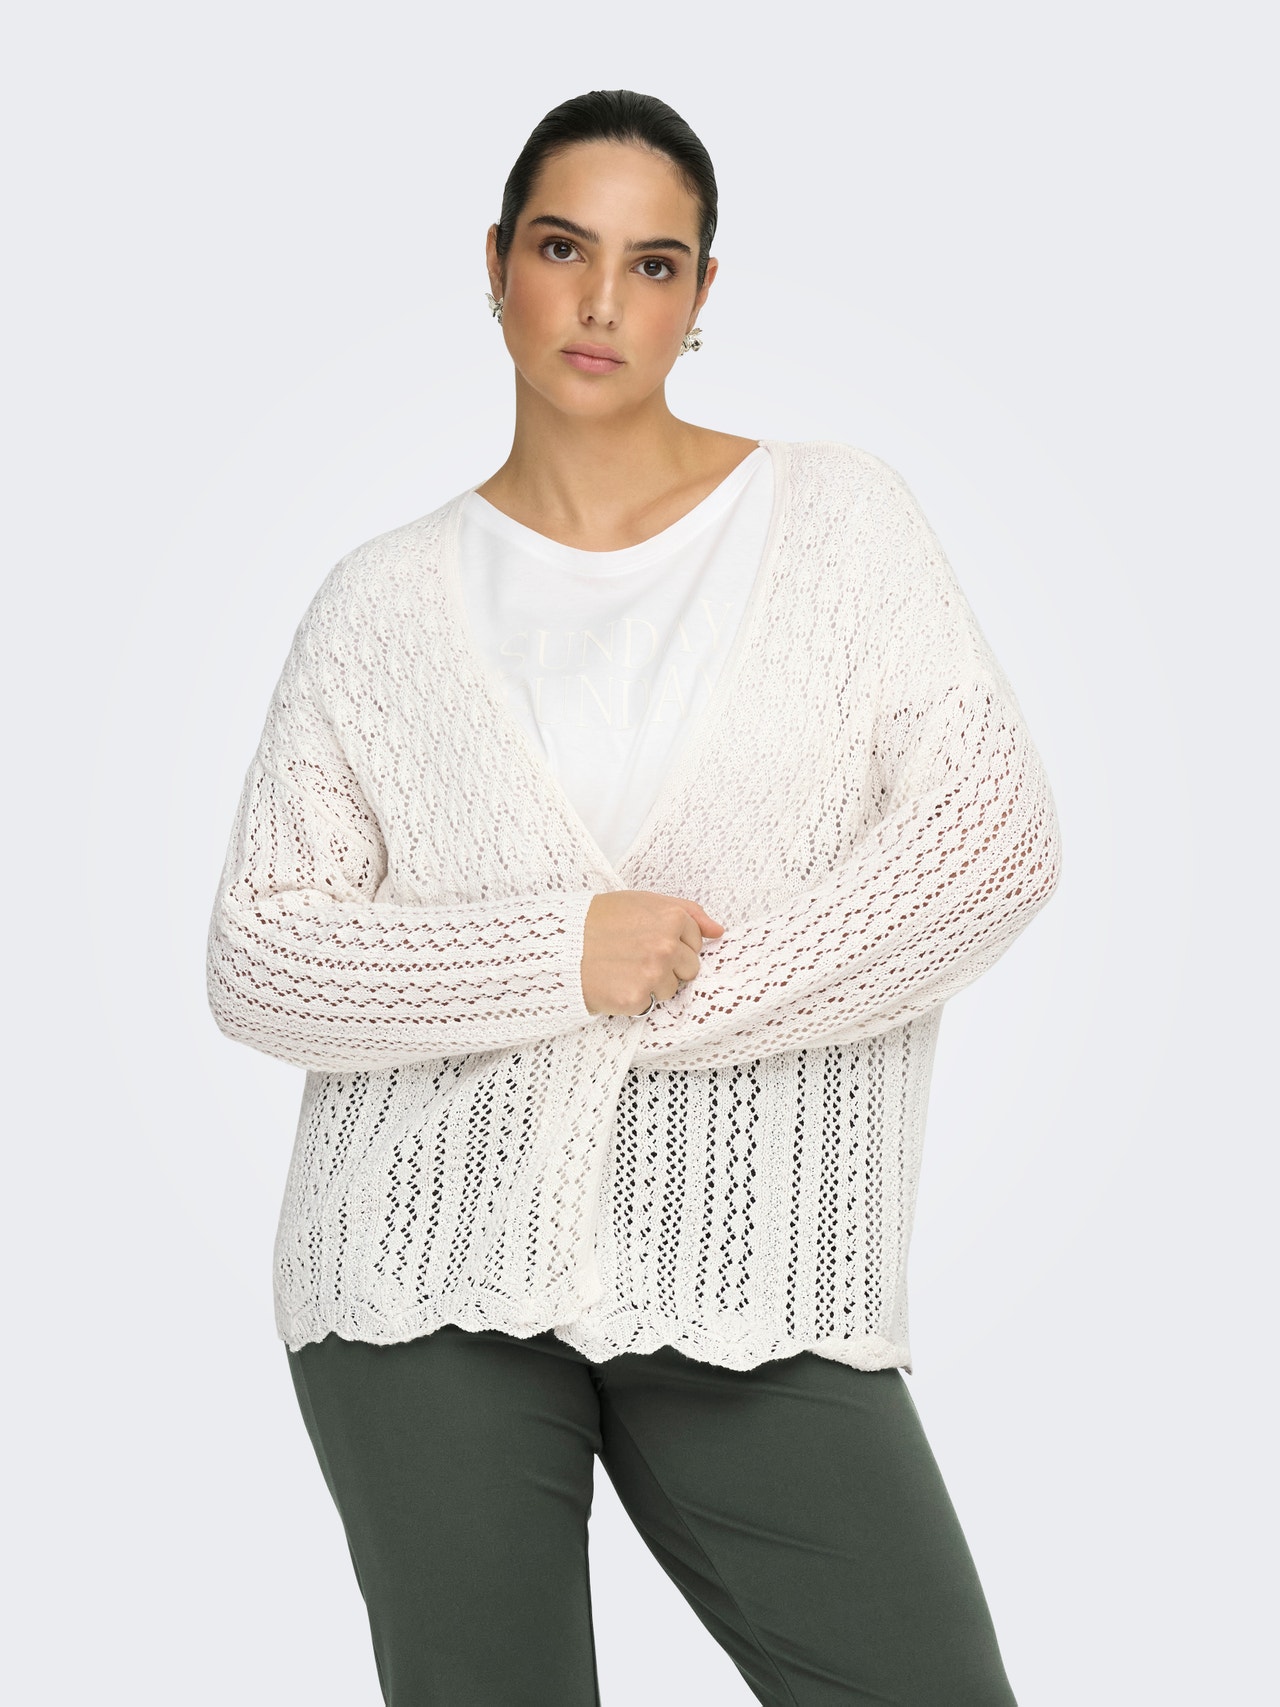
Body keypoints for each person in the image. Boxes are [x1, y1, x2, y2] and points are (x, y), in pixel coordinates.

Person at [206, 88, 1063, 1707]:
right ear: (496, 264)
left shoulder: (837, 522)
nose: (602, 302)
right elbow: (264, 956)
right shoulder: (378, 606)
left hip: (756, 1276)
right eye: (563, 249)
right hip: (419, 1273)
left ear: (701, 294)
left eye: (653, 264)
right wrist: (561, 955)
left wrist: (680, 1002)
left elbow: (988, 842)